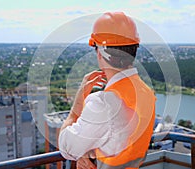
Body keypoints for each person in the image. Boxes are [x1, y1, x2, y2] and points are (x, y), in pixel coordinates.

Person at [59, 12, 156, 169]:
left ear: (100, 52)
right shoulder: (145, 92)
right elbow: (118, 140)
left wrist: (78, 102)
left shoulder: (103, 103)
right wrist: (89, 152)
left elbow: (66, 147)